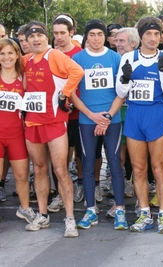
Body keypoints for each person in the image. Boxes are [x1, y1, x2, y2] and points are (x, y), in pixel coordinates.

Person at [22, 21, 84, 237]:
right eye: (31, 36)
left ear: (46, 37)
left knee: (60, 170)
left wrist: (64, 94)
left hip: (55, 121)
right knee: (39, 168)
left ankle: (69, 218)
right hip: (32, 121)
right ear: (27, 40)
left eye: (39, 35)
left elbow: (77, 71)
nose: (36, 39)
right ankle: (43, 214)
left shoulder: (54, 55)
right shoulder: (25, 60)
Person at [116, 16, 163, 234]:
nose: (153, 38)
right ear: (140, 36)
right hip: (134, 114)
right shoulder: (129, 58)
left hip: (157, 113)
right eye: (149, 34)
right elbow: (121, 93)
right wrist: (124, 79)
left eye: (157, 34)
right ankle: (144, 214)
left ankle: (162, 215)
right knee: (139, 169)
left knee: (159, 168)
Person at [70, 19, 127, 230]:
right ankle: (91, 210)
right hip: (87, 119)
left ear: (106, 37)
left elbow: (122, 92)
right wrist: (93, 116)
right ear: (86, 36)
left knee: (115, 163)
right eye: (92, 34)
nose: (96, 38)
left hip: (112, 119)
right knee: (87, 164)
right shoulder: (77, 59)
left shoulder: (115, 58)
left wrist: (108, 117)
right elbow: (72, 94)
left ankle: (120, 209)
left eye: (100, 34)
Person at [47, 13, 83, 214]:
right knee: (58, 159)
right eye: (55, 33)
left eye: (63, 33)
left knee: (79, 153)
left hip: (77, 114)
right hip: (54, 117)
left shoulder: (80, 54)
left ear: (71, 33)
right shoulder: (49, 54)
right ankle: (59, 195)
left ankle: (79, 186)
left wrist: (70, 100)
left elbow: (83, 84)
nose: (59, 37)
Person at [0, 38, 37, 226]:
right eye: (2, 53)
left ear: (16, 55)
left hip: (17, 134)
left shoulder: (24, 78)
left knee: (22, 176)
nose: (6, 57)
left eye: (10, 53)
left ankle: (24, 208)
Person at [105, 27, 140, 219]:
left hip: (135, 114)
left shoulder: (141, 58)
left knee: (138, 159)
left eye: (121, 41)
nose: (117, 44)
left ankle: (139, 201)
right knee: (118, 157)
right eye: (116, 41)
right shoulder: (113, 59)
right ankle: (119, 199)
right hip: (117, 113)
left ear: (133, 44)